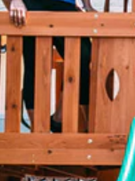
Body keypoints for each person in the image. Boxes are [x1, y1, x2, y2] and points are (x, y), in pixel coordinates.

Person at [7, 0, 93, 133]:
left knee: (84, 58)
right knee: (35, 65)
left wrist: (87, 5)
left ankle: (59, 119)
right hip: (32, 5)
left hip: (66, 4)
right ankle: (38, 129)